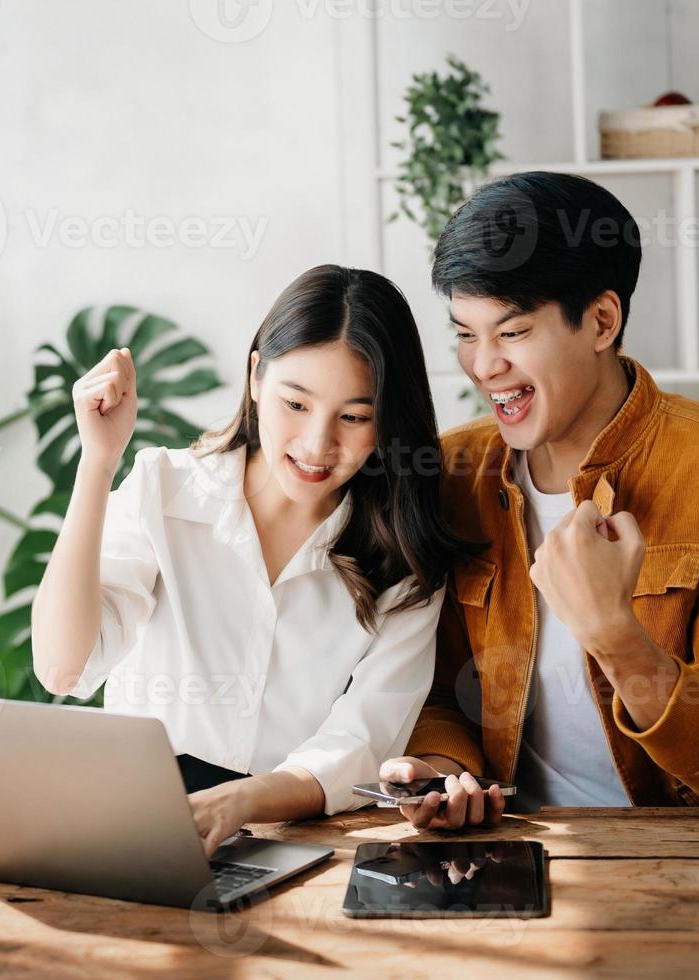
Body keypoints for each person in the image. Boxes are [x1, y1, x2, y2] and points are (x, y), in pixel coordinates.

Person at [381, 172, 699, 830]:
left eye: (511, 333)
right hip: (507, 853)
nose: (483, 366)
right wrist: (442, 769)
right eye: (466, 333)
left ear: (601, 321)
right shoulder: (450, 471)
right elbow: (436, 694)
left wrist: (618, 640)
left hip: (684, 863)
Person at [32, 264, 477, 854]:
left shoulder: (403, 554)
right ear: (255, 378)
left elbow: (360, 742)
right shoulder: (163, 491)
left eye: (354, 417)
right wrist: (98, 463)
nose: (318, 445)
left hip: (300, 837)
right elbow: (64, 668)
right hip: (140, 826)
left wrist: (242, 800)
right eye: (296, 403)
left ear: (387, 422)